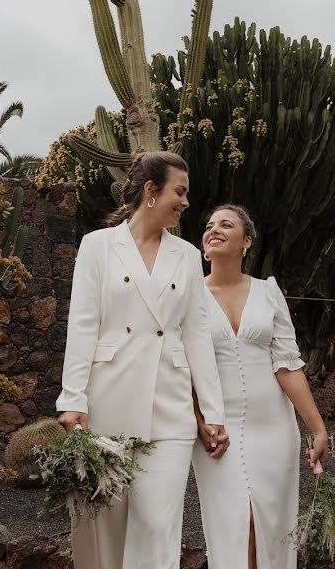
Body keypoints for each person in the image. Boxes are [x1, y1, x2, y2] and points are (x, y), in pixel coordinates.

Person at [56, 150, 228, 569]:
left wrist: (212, 409)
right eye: (180, 191)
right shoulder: (97, 246)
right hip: (106, 402)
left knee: (158, 522)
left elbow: (197, 336)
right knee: (104, 523)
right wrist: (72, 398)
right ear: (152, 191)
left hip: (168, 408)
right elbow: (82, 325)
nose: (186, 202)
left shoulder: (187, 255)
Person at [192, 204, 329, 569]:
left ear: (246, 242)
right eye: (209, 226)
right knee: (236, 525)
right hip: (217, 429)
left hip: (274, 429)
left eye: (226, 224)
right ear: (203, 245)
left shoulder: (268, 292)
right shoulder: (189, 296)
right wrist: (199, 420)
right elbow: (181, 367)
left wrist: (317, 428)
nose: (214, 230)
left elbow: (287, 365)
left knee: (268, 526)